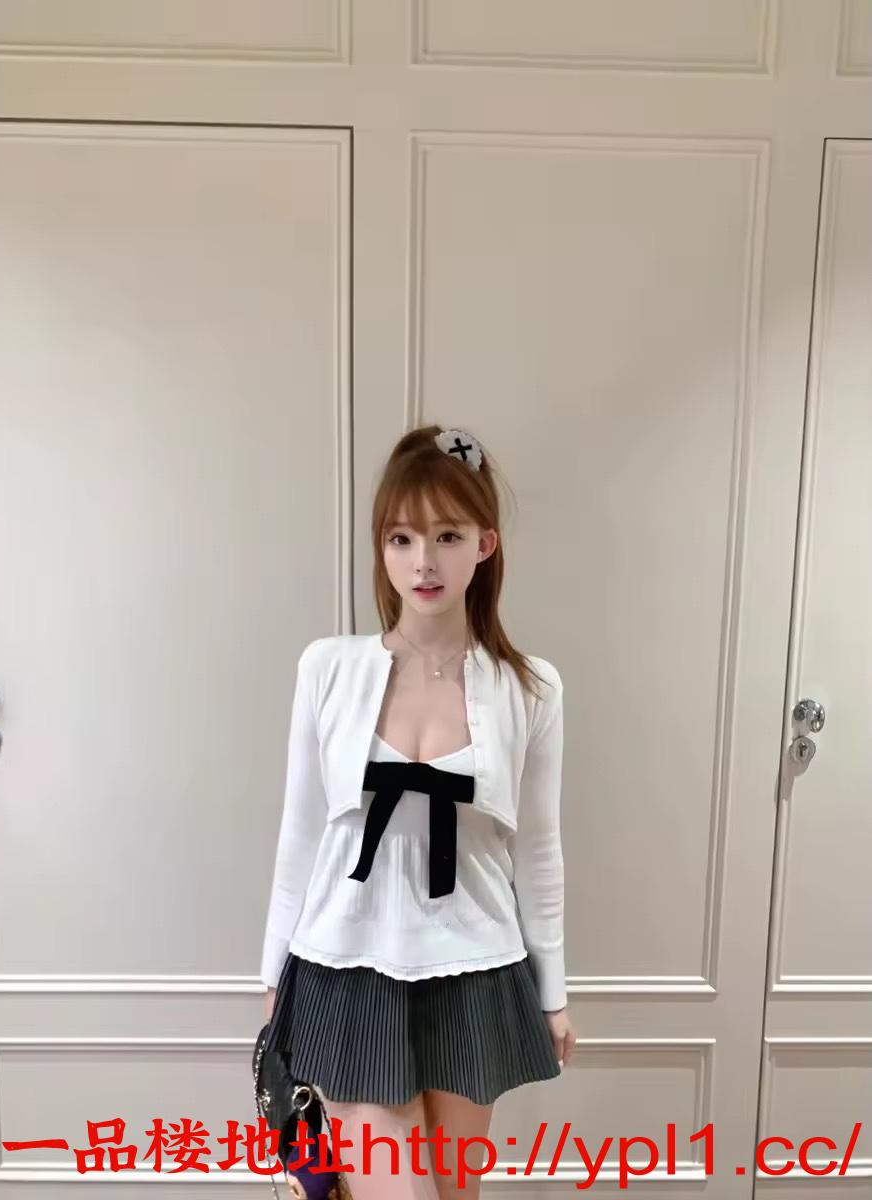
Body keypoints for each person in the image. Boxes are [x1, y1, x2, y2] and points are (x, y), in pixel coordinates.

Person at [259, 424, 575, 1199]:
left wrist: (554, 992)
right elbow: (300, 832)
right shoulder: (328, 669)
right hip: (348, 969)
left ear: (485, 543)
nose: (423, 561)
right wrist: (274, 980)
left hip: (474, 973)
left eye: (447, 535)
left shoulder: (530, 688)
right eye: (402, 538)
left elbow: (538, 849)